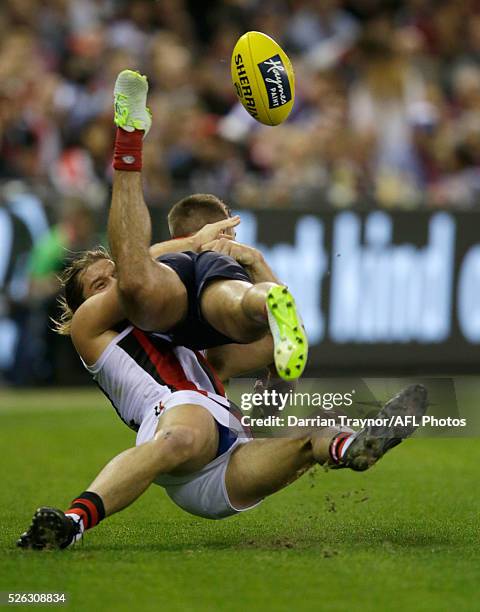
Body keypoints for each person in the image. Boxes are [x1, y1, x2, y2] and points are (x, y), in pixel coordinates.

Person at [17, 70, 428, 550]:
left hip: (226, 454)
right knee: (180, 433)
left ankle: (353, 447)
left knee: (311, 432)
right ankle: (71, 523)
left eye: (110, 272)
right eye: (97, 283)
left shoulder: (197, 347)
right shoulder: (90, 332)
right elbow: (133, 275)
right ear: (84, 301)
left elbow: (282, 350)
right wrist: (189, 245)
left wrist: (257, 264)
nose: (111, 285)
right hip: (176, 428)